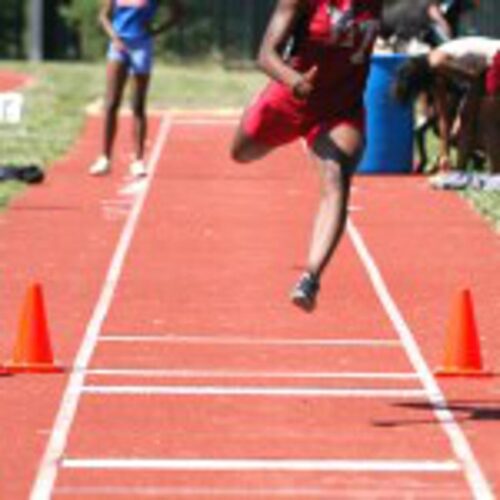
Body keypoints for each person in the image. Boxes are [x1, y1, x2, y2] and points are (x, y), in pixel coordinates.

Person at [231, 0, 383, 312]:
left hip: (340, 110)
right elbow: (265, 55)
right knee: (240, 153)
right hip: (291, 95)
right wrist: (294, 81)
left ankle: (310, 278)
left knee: (335, 176)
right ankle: (274, 123)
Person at [89, 0, 183, 177]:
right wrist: (115, 38)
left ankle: (138, 160)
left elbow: (177, 12)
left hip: (141, 46)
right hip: (118, 47)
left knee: (138, 105)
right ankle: (105, 158)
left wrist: (156, 30)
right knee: (111, 103)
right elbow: (103, 16)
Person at [393, 36, 500, 173]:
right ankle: (460, 170)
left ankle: (496, 173)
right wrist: (444, 154)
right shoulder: (434, 74)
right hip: (484, 68)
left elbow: (471, 77)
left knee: (489, 121)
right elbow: (443, 116)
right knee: (467, 119)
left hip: (495, 58)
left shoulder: (437, 63)